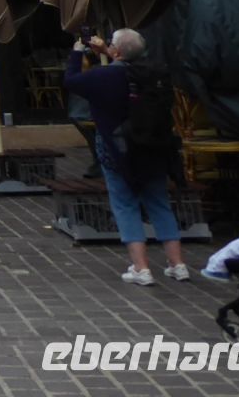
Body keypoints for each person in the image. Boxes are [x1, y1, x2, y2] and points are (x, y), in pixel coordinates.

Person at [64, 28, 187, 286]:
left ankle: (141, 268)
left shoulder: (103, 77)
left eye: (111, 44)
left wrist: (77, 54)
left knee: (125, 203)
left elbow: (72, 81)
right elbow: (129, 64)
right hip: (154, 146)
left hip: (117, 148)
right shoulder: (156, 72)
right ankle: (178, 264)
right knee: (159, 202)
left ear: (117, 51)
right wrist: (106, 52)